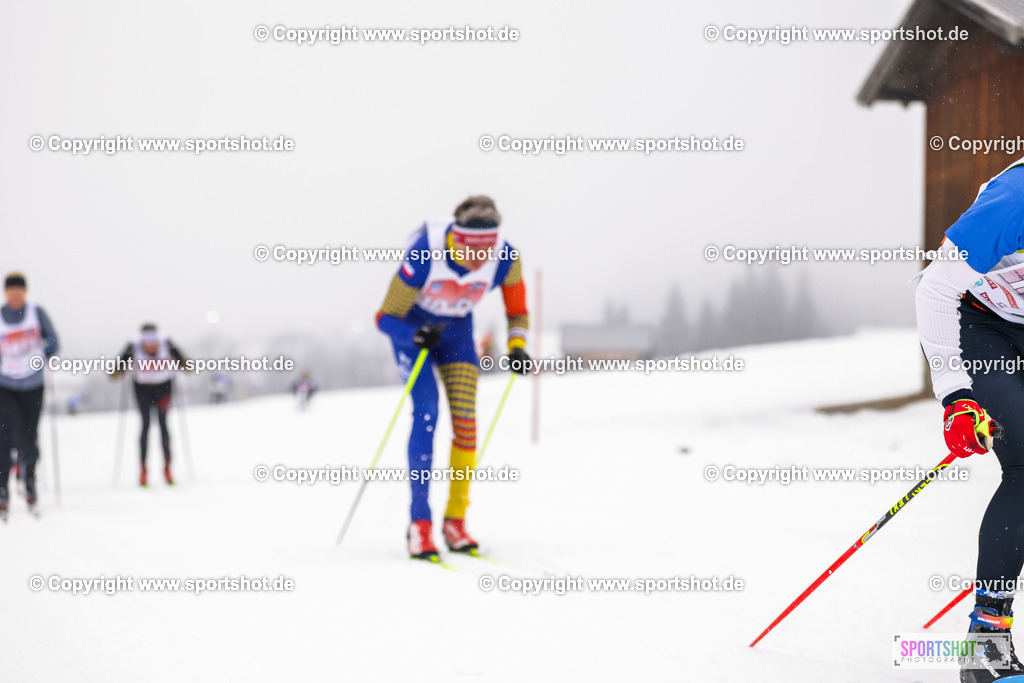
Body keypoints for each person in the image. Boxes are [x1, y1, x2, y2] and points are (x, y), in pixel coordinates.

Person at [917, 157, 1024, 682]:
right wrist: (956, 397)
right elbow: (934, 290)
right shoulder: (1016, 198)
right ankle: (986, 642)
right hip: (982, 325)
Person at [375, 195, 530, 559]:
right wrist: (412, 336)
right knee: (427, 413)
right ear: (454, 239)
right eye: (468, 250)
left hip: (457, 335)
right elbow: (384, 317)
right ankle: (420, 524)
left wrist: (517, 345)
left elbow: (517, 310)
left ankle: (455, 520)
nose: (477, 260)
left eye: (485, 252)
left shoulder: (506, 259)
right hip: (413, 335)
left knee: (466, 423)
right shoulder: (424, 253)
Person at [0, 273, 59, 520]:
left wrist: (42, 350)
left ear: (25, 293)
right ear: (6, 293)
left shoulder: (37, 313)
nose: (15, 296)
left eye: (19, 292)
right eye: (11, 292)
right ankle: (3, 488)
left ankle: (30, 483)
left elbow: (53, 341)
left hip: (33, 383)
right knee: (4, 435)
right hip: (5, 383)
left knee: (29, 435)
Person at [112, 323, 187, 487]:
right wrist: (119, 370)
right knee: (145, 424)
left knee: (163, 424)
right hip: (143, 389)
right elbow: (118, 369)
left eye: (154, 341)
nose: (151, 345)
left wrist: (184, 364)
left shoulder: (166, 342)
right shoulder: (133, 345)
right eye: (148, 342)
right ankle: (143, 469)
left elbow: (184, 361)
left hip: (164, 388)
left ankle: (167, 468)